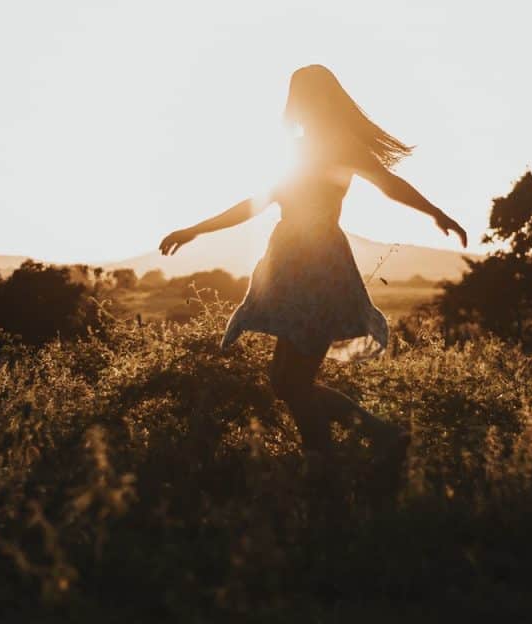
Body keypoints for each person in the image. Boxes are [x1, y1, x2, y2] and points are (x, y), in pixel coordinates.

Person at [159, 64, 467, 479]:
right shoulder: (300, 150)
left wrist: (436, 213)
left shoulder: (341, 147)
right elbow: (255, 202)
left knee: (293, 381)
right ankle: (335, 456)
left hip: (318, 268)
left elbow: (390, 185)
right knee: (287, 381)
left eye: (303, 96)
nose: (297, 105)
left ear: (320, 99)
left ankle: (362, 446)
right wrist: (195, 229)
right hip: (291, 267)